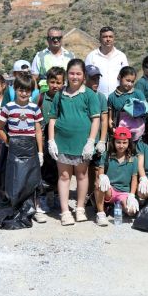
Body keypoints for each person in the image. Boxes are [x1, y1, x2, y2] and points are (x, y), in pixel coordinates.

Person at [48, 59, 101, 226]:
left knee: (82, 175)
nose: (75, 76)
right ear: (67, 75)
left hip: (82, 143)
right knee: (64, 176)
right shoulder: (60, 94)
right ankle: (65, 211)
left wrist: (91, 141)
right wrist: (51, 141)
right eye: (71, 73)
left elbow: (96, 119)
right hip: (62, 142)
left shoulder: (90, 95)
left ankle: (79, 208)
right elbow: (52, 119)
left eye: (78, 73)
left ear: (84, 75)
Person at [0, 73, 45, 227]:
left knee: (31, 179)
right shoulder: (8, 107)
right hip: (14, 147)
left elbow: (38, 131)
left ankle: (32, 210)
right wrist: (8, 141)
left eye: (27, 90)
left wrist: (41, 152)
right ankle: (18, 209)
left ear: (31, 91)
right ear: (15, 89)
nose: (24, 93)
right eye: (21, 90)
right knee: (16, 179)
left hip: (31, 146)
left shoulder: (34, 108)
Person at [94, 127, 140, 226]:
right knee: (98, 183)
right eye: (118, 142)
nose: (121, 145)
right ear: (113, 142)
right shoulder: (107, 155)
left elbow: (134, 179)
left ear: (129, 143)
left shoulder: (133, 158)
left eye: (124, 142)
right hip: (110, 190)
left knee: (131, 211)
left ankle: (116, 207)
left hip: (124, 192)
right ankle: (101, 213)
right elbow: (100, 171)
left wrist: (132, 195)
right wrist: (102, 176)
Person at [40, 67, 66, 202]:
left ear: (63, 83)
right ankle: (44, 196)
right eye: (52, 82)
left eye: (59, 83)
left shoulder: (65, 98)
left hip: (61, 138)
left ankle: (57, 195)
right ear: (47, 82)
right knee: (45, 167)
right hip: (44, 139)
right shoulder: (40, 97)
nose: (55, 85)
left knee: (60, 169)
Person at [84, 65, 109, 196]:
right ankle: (86, 195)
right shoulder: (80, 95)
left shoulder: (101, 97)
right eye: (92, 79)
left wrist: (102, 140)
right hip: (83, 139)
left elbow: (104, 119)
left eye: (98, 79)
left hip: (97, 139)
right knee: (83, 170)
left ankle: (94, 195)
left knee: (97, 168)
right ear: (85, 78)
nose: (96, 82)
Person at [84, 26, 129, 97]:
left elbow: (127, 76)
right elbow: (86, 78)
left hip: (118, 98)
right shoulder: (91, 56)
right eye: (105, 37)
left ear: (114, 38)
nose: (108, 39)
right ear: (100, 39)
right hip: (97, 98)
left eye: (110, 36)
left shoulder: (121, 56)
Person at [107, 66, 148, 141]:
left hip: (138, 133)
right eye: (127, 80)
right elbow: (110, 118)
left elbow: (147, 111)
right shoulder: (112, 97)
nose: (130, 84)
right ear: (119, 77)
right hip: (121, 135)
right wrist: (113, 130)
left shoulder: (138, 93)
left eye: (132, 81)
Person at [31, 26, 76, 92]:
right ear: (48, 39)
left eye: (58, 38)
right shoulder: (39, 56)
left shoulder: (71, 56)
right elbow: (34, 78)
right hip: (45, 95)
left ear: (62, 38)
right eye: (53, 38)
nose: (56, 40)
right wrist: (36, 95)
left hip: (65, 95)